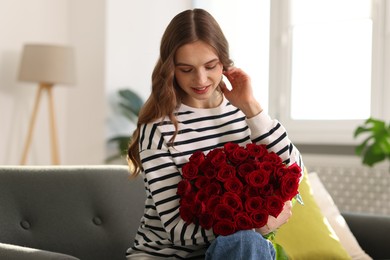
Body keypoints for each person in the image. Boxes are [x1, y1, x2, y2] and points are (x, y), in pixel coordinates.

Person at [126, 8, 304, 260]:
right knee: (246, 242)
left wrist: (252, 107)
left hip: (239, 252)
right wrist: (256, 225)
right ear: (171, 69)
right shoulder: (159, 129)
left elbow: (294, 171)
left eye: (210, 66)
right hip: (169, 257)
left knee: (247, 244)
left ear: (224, 62)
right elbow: (179, 231)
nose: (200, 79)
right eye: (186, 69)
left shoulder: (242, 113)